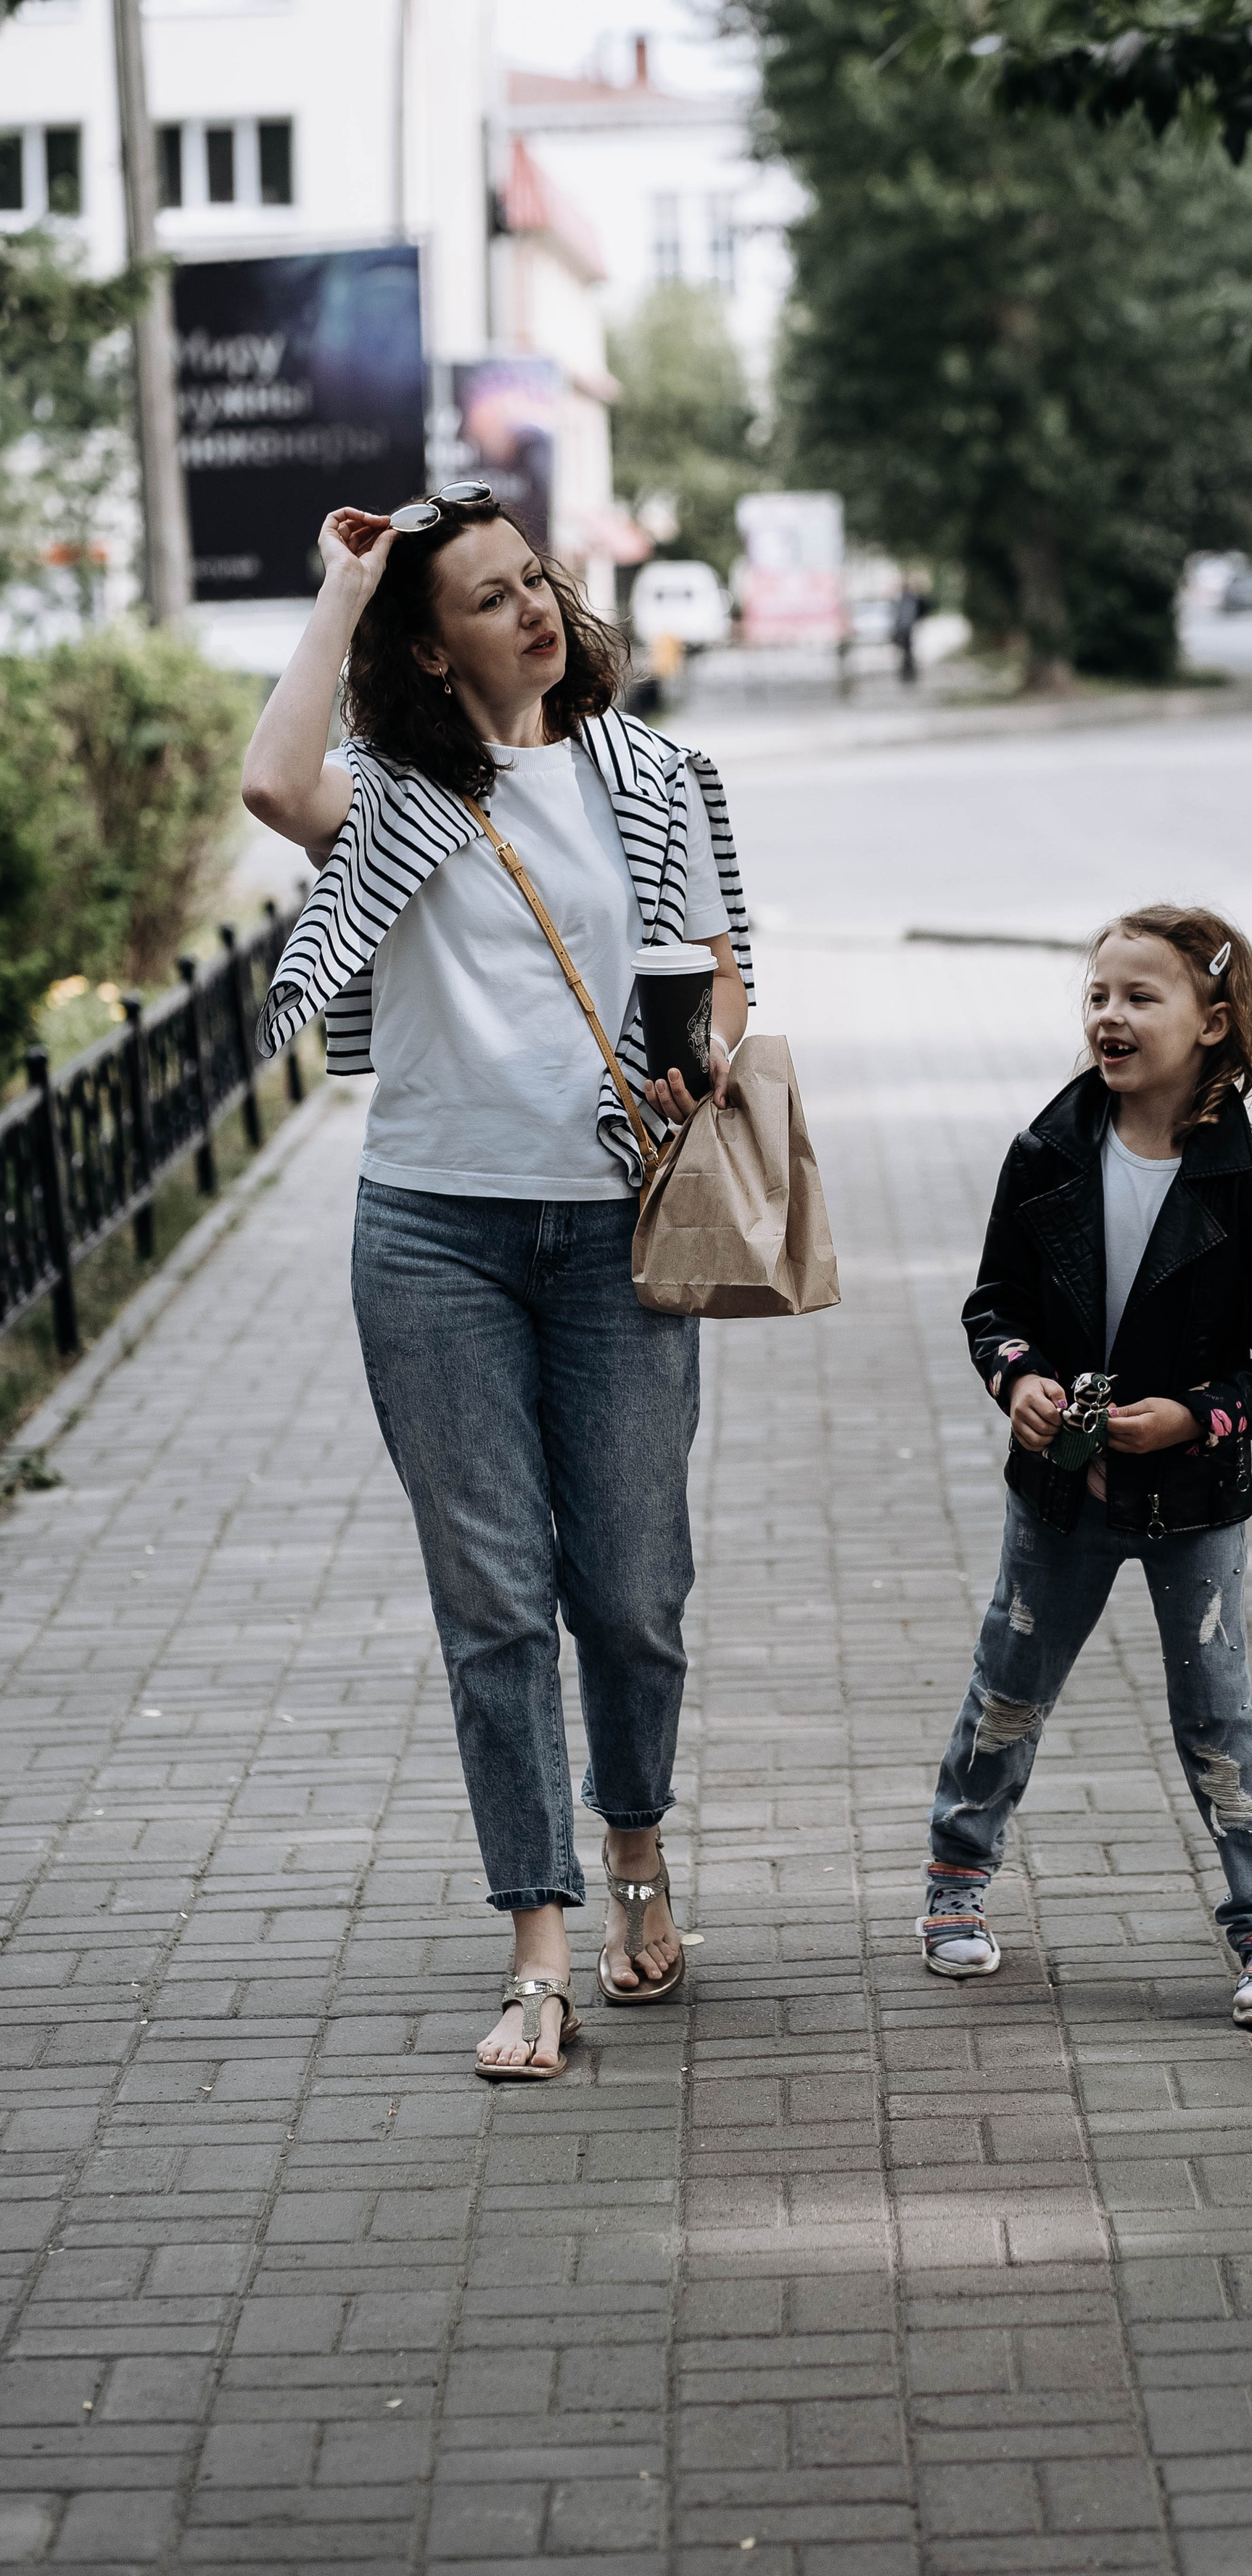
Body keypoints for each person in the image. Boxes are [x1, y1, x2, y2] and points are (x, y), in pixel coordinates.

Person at [242, 483, 754, 2080]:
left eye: (536, 580)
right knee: (491, 1601)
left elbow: (718, 978)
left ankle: (636, 1845)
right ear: (429, 646)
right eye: (487, 597)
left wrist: (701, 1065)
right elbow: (271, 781)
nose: (534, 609)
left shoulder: (652, 776)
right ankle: (537, 1942)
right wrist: (347, 585)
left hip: (614, 1232)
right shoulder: (394, 795)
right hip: (432, 1237)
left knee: (634, 1591)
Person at [920, 906, 1252, 2026]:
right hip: (1059, 1490)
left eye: (1141, 997)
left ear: (1213, 1022)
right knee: (1009, 1687)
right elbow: (994, 1304)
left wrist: (1198, 1418)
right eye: (1098, 995)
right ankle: (955, 1879)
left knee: (1216, 1713)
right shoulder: (1046, 1156)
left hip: (1192, 1499)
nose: (1111, 1015)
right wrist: (1017, 1379)